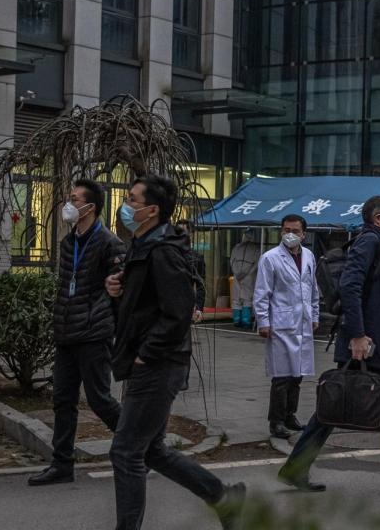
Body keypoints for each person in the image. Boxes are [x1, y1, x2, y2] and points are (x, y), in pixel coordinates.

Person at [104, 174, 244, 530]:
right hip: (150, 360)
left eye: (132, 200)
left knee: (126, 451)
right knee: (151, 450)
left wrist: (147, 353)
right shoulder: (143, 244)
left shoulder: (163, 250)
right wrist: (117, 291)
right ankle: (222, 497)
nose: (126, 206)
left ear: (152, 210)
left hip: (158, 363)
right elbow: (142, 306)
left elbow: (178, 312)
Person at [277, 195, 380, 492]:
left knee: (346, 404)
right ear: (379, 218)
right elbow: (350, 287)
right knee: (340, 404)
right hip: (367, 342)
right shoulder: (368, 242)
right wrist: (357, 335)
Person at [28, 179, 124, 487]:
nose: (68, 204)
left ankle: (142, 447)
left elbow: (119, 293)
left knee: (100, 400)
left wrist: (107, 325)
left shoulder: (109, 243)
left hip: (94, 334)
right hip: (67, 333)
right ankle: (62, 464)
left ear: (90, 207)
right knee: (63, 400)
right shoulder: (68, 243)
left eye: (74, 199)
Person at [253, 214, 320, 440]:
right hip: (280, 324)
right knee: (281, 376)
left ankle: (290, 415)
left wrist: (315, 315)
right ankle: (277, 421)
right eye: (286, 230)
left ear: (303, 234)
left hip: (303, 321)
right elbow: (262, 293)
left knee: (297, 375)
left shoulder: (309, 256)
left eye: (295, 231)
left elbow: (313, 289)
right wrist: (263, 321)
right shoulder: (270, 258)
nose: (289, 234)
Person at [230, 230, 260, 328]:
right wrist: (248, 273)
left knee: (237, 298)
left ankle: (237, 319)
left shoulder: (237, 247)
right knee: (247, 298)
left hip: (238, 275)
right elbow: (257, 263)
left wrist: (236, 272)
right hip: (248, 277)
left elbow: (232, 261)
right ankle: (245, 320)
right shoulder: (256, 249)